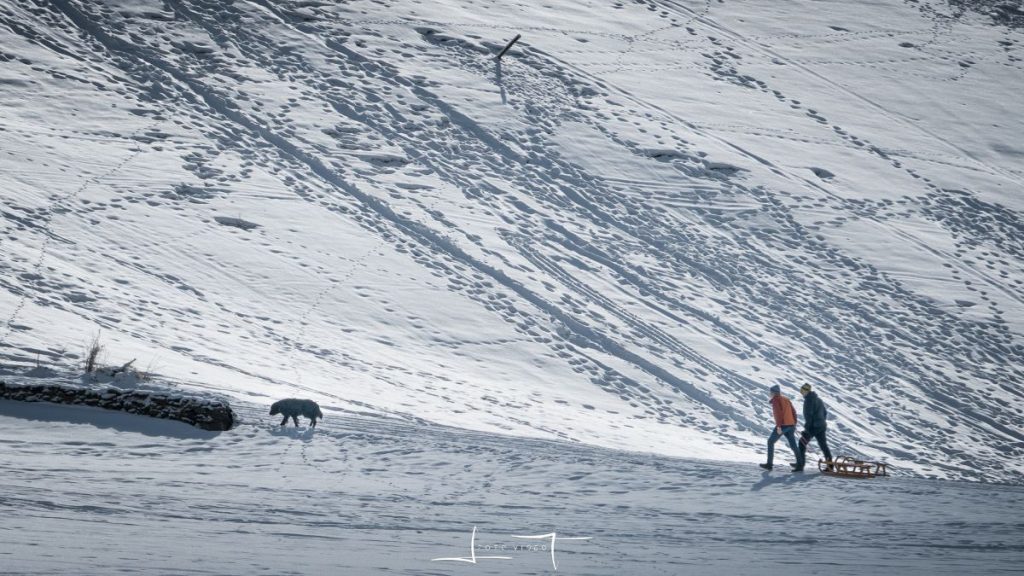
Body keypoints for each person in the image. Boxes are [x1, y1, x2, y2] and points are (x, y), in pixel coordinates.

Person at [793, 383, 833, 472]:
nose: (801, 392)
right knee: (823, 445)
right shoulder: (818, 399)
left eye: (802, 391)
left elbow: (809, 416)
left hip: (814, 427)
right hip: (821, 426)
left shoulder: (808, 400)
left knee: (801, 443)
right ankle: (830, 466)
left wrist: (807, 430)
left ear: (806, 391)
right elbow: (825, 413)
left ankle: (800, 465)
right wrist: (821, 421)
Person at [759, 384, 800, 471]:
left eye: (771, 392)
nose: (770, 393)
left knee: (770, 442)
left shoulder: (776, 400)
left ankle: (769, 464)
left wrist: (778, 427)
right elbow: (794, 412)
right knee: (793, 445)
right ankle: (800, 464)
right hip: (791, 425)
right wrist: (794, 423)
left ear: (774, 392)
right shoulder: (786, 399)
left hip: (783, 425)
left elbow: (778, 414)